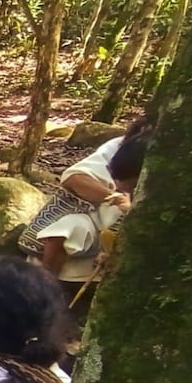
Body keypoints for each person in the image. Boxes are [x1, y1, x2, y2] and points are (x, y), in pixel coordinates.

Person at [19, 118, 151, 281]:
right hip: (93, 218)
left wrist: (131, 211)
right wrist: (113, 197)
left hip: (126, 234)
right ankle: (46, 284)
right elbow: (74, 179)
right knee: (64, 229)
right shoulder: (121, 147)